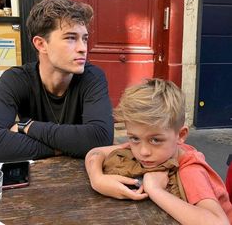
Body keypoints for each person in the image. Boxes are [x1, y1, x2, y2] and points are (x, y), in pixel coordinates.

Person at [85, 78, 232, 225]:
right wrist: (97, 179)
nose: (143, 152)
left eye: (155, 140)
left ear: (180, 135)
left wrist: (155, 190)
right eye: (134, 138)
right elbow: (96, 152)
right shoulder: (150, 147)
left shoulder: (190, 170)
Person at [0, 0, 113, 161]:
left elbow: (100, 138)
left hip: (79, 178)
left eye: (84, 39)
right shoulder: (15, 80)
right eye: (71, 38)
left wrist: (28, 127)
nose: (83, 48)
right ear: (41, 44)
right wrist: (65, 147)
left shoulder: (92, 77)